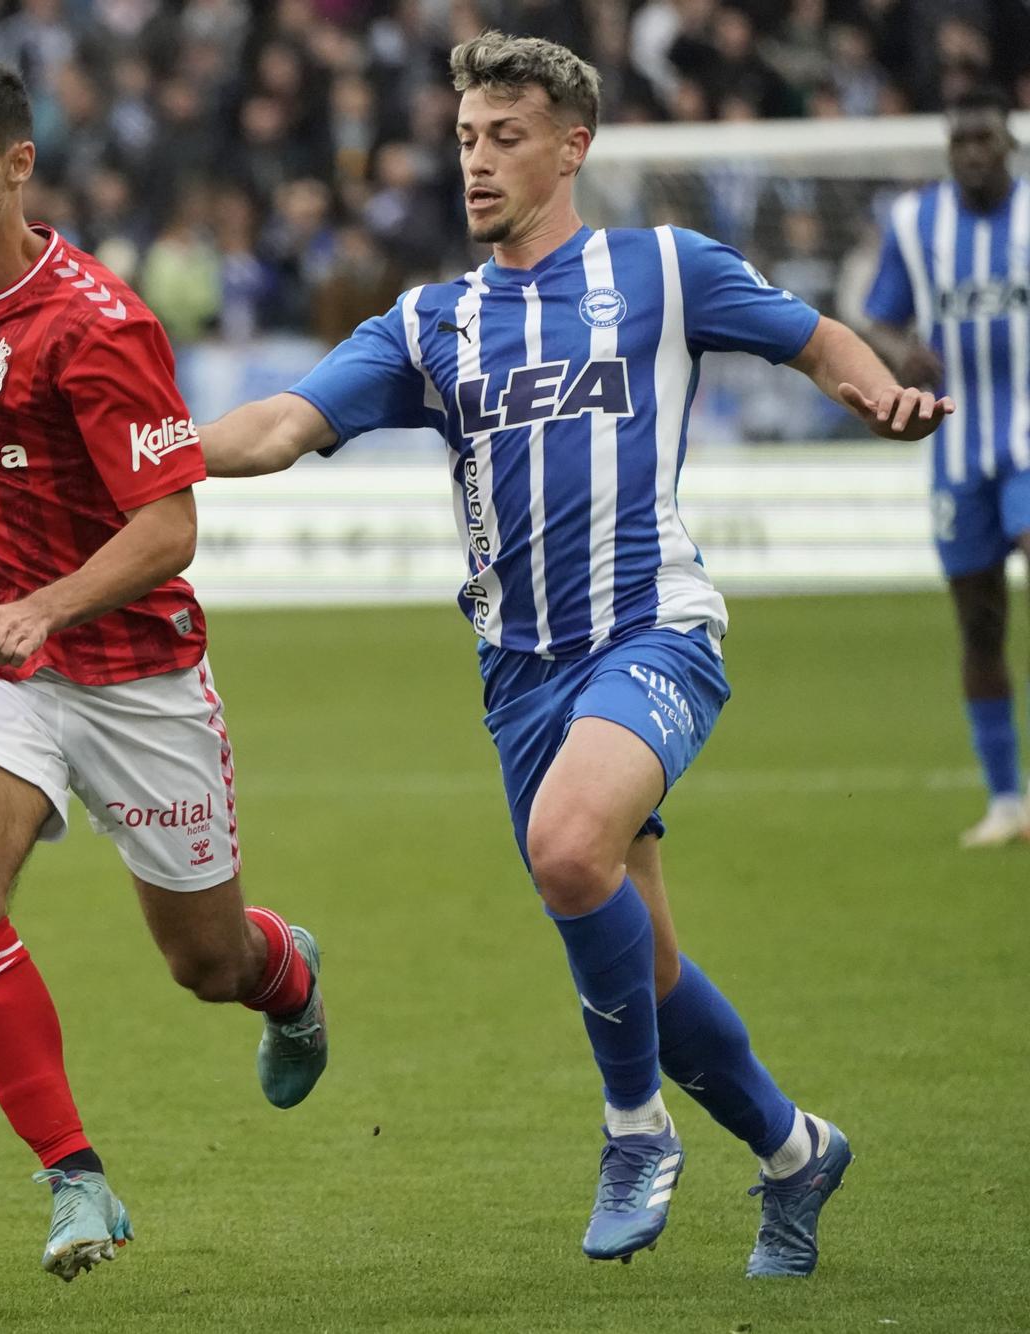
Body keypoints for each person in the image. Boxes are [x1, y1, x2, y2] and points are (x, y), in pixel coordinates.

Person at [196, 33, 951, 1278]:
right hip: (519, 677)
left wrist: (874, 392)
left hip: (653, 626)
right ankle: (792, 1148)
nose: (475, 163)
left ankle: (632, 1129)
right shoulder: (429, 321)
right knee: (641, 962)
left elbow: (814, 337)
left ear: (571, 146)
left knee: (564, 846)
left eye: (503, 137)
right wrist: (145, 446)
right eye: (462, 140)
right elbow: (278, 424)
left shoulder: (662, 266)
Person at [0, 55, 328, 1283]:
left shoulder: (98, 327)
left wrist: (46, 605)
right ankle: (73, 1175)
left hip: (130, 674)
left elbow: (169, 526)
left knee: (202, 963)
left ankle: (286, 976)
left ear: (17, 165)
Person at [862, 86, 1029, 848]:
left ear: (1010, 145)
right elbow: (881, 315)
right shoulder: (913, 222)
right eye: (958, 140)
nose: (970, 153)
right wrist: (901, 354)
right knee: (980, 624)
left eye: (983, 139)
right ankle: (1006, 802)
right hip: (958, 452)